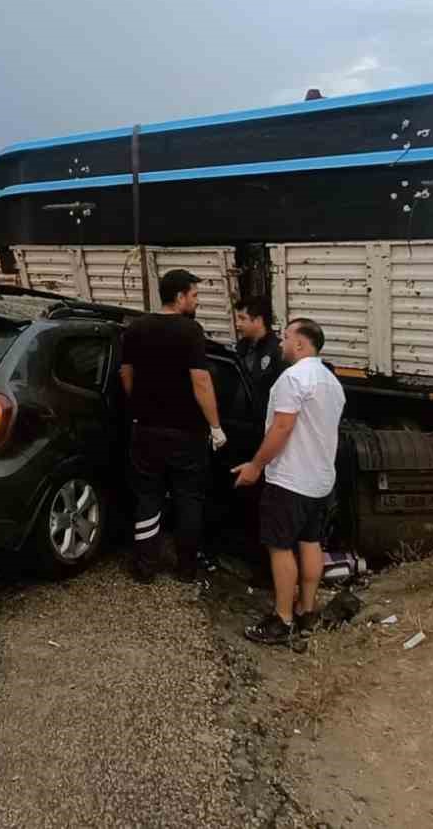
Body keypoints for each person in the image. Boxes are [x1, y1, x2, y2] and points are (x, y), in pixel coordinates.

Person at [233, 318, 346, 643]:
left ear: (300, 344)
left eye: (285, 338)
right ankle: (307, 612)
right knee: (311, 543)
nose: (281, 344)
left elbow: (282, 428)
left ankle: (282, 620)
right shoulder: (330, 381)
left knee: (280, 547)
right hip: (321, 480)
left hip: (290, 480)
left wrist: (255, 465)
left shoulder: (293, 378)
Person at [120, 268, 227, 584]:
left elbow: (126, 373)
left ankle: (144, 566)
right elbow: (201, 381)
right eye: (194, 295)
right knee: (188, 498)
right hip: (186, 433)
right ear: (180, 296)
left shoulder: (136, 328)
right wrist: (216, 427)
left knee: (147, 496)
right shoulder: (190, 331)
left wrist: (139, 405)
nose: (197, 302)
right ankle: (186, 568)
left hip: (146, 430)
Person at [234, 296, 285, 406]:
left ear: (258, 320)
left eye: (242, 319)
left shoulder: (278, 350)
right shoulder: (241, 347)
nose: (237, 324)